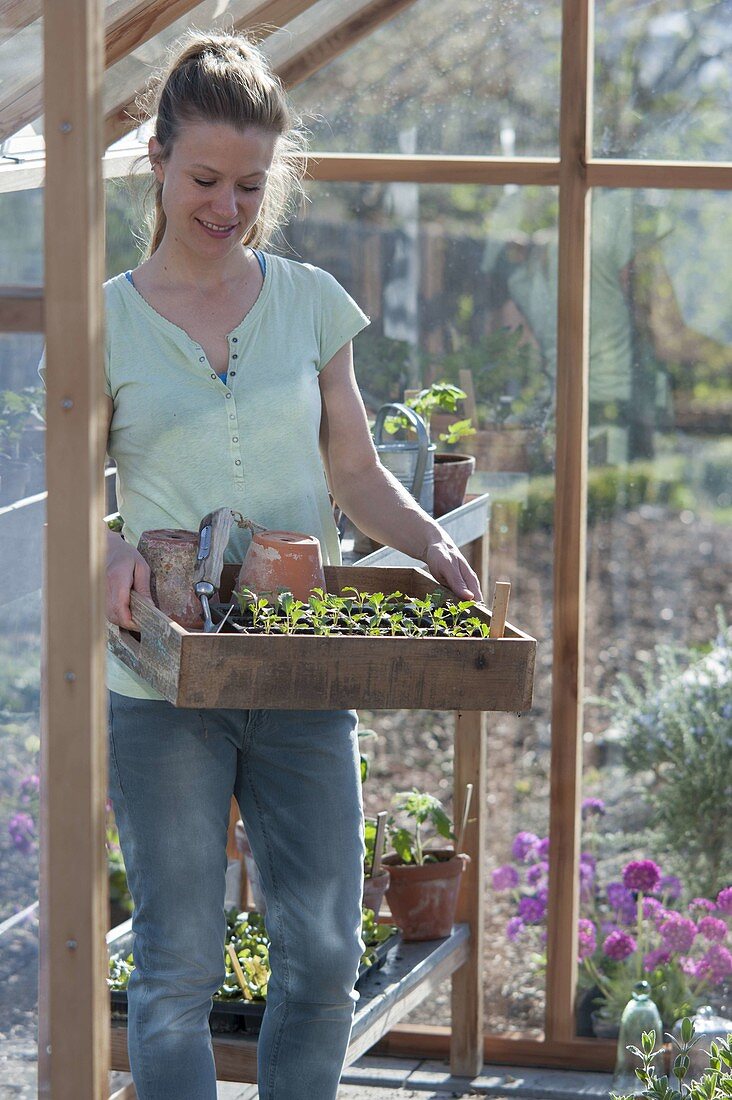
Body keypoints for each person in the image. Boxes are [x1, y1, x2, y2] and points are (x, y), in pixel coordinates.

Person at [102, 31, 481, 1100]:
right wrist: (106, 541)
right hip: (164, 682)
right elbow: (75, 493)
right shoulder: (108, 320)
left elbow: (355, 469)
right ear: (159, 164)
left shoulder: (310, 301)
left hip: (304, 676)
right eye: (207, 180)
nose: (228, 205)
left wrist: (428, 538)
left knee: (318, 956)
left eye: (251, 185)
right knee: (176, 966)